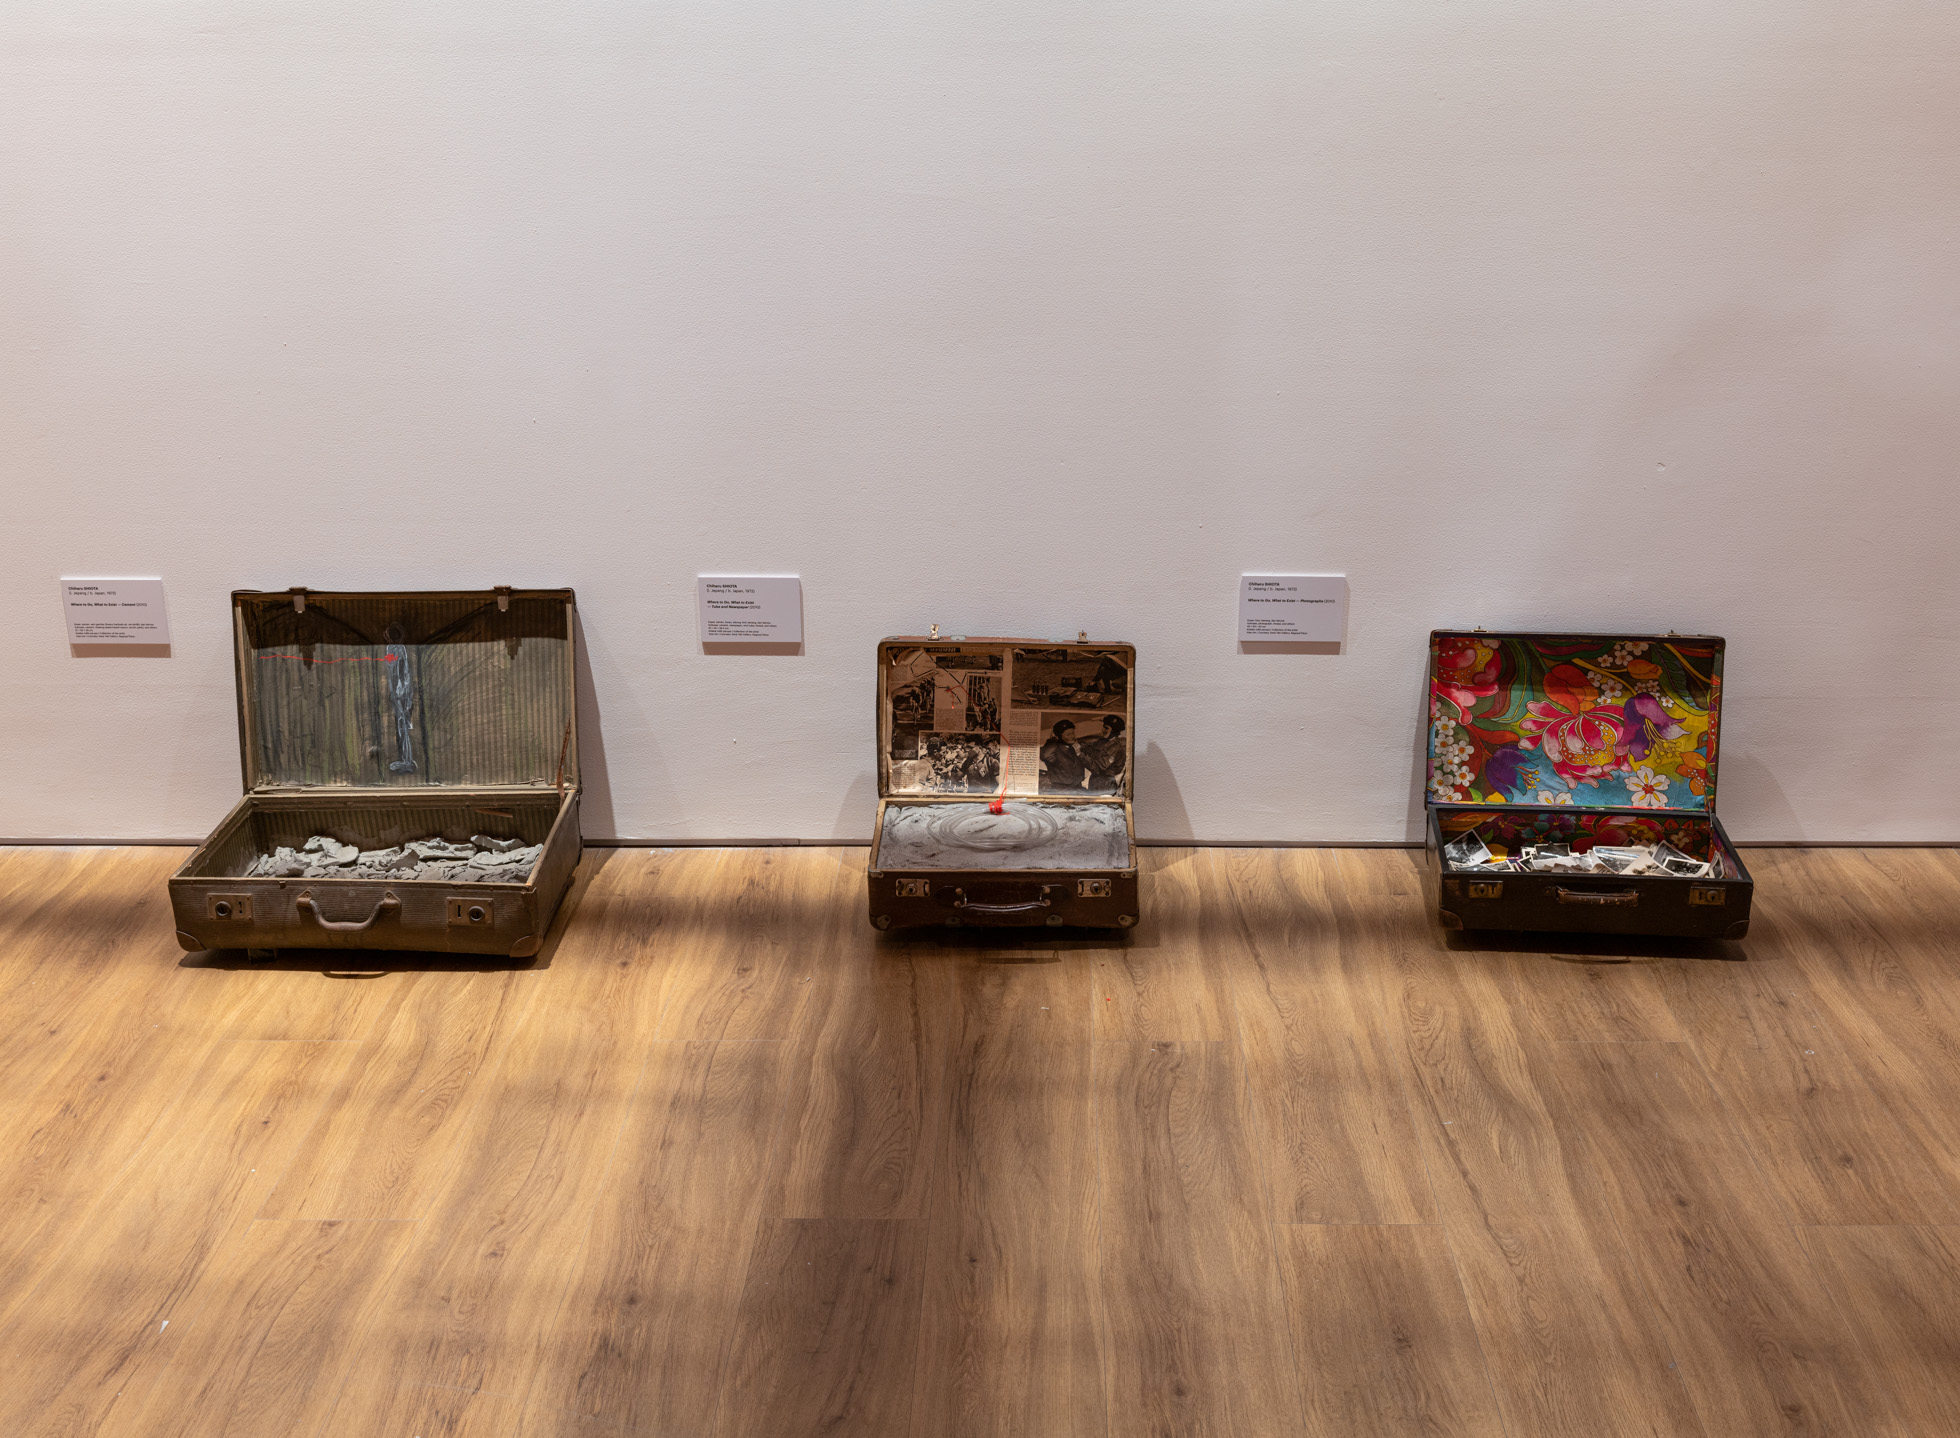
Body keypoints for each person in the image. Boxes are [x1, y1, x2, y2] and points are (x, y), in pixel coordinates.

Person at [1082, 715, 1126, 792]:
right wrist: (1078, 745)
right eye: (1103, 727)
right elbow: (1090, 748)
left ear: (1114, 731)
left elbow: (1098, 768)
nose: (1103, 730)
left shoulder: (1115, 748)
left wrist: (1080, 755)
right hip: (1095, 781)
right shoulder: (1102, 741)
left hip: (1105, 785)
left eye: (1106, 728)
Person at [1040, 720, 1087, 792]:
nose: (1072, 736)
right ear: (1059, 736)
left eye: (1072, 733)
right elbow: (1044, 756)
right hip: (1061, 790)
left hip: (1077, 788)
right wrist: (1052, 739)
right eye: (1068, 734)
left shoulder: (1074, 747)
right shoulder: (1054, 750)